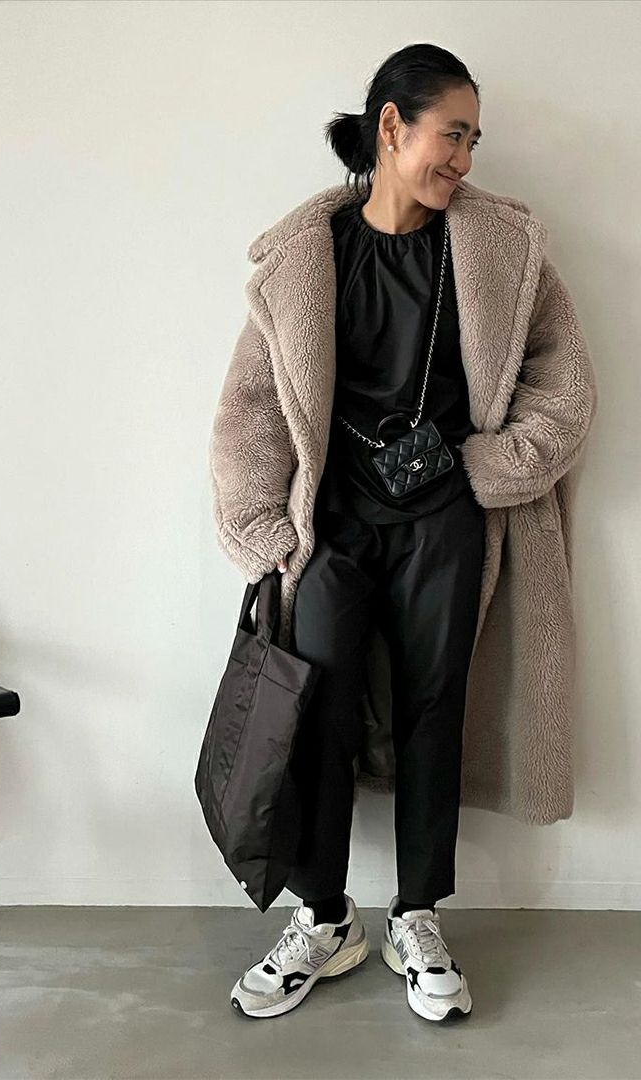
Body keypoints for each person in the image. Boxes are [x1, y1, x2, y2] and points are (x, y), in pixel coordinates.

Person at [219, 44, 497, 1023]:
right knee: (317, 712)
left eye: (473, 139)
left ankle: (417, 915)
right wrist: (264, 531)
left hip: (442, 520)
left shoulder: (489, 250)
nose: (463, 158)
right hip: (331, 526)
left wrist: (494, 464)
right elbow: (252, 405)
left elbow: (561, 375)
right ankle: (324, 918)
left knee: (434, 708)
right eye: (450, 134)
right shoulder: (310, 253)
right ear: (391, 127)